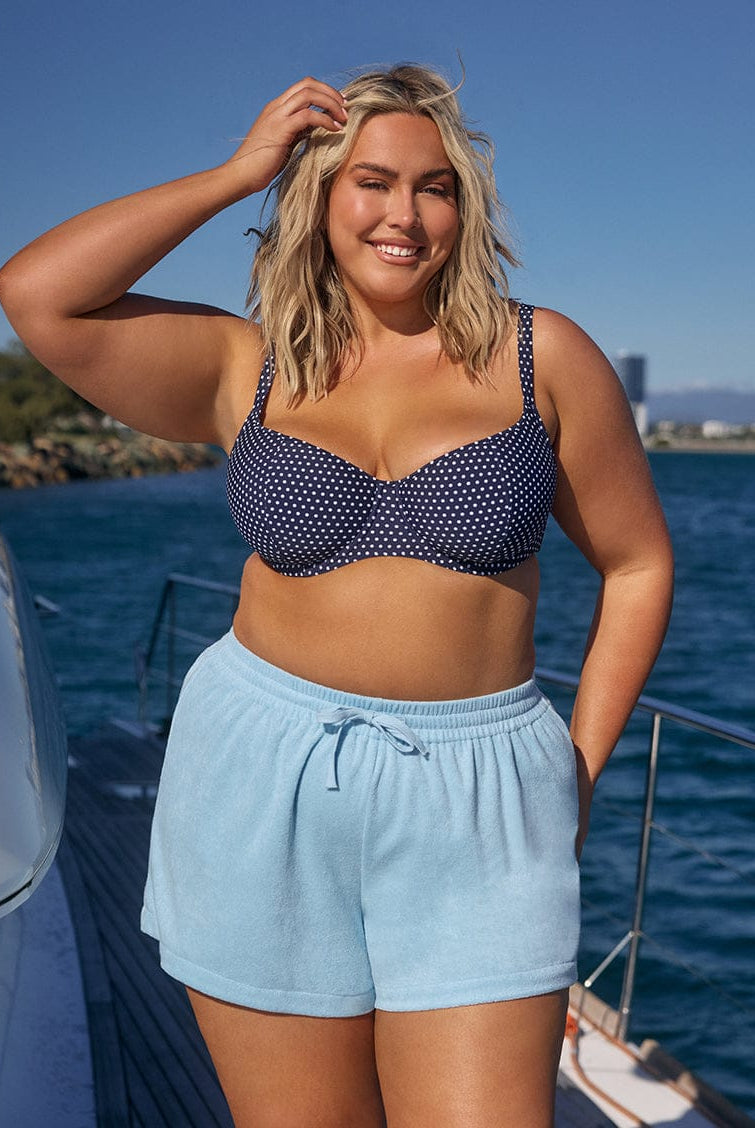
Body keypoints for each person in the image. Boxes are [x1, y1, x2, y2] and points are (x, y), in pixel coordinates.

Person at [0, 64, 673, 1128]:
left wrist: (573, 772)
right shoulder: (245, 365)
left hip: (476, 795)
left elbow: (636, 565)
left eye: (435, 186)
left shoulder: (540, 356)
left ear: (465, 207)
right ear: (315, 194)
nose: (404, 213)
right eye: (370, 181)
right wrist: (235, 173)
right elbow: (38, 292)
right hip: (258, 775)